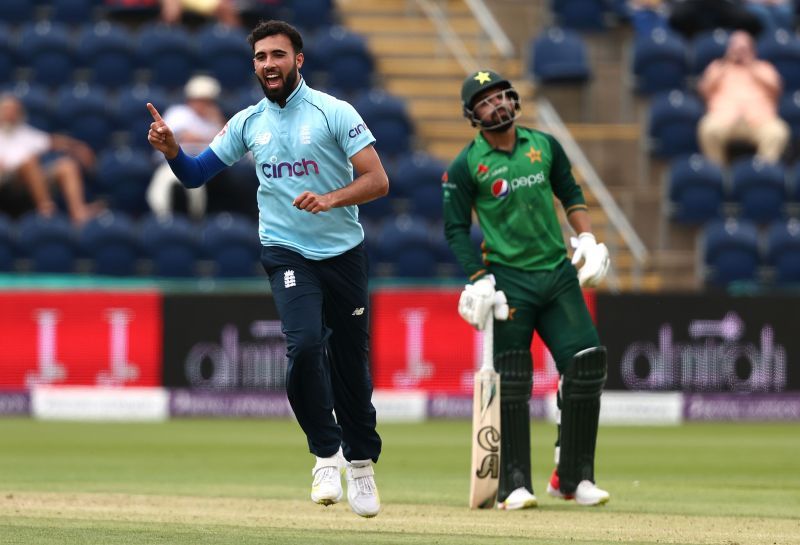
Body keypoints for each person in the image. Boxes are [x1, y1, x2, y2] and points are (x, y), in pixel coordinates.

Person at [146, 19, 389, 518]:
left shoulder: (333, 112)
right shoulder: (247, 122)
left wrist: (331, 198)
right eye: (260, 57)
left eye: (277, 55)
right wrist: (173, 151)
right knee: (302, 346)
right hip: (286, 249)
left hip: (343, 252)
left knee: (349, 363)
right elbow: (194, 176)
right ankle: (326, 452)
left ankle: (361, 462)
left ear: (298, 60)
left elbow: (378, 180)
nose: (268, 65)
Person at [443, 69, 611, 510]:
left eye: (501, 95)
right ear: (472, 115)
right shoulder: (466, 165)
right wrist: (477, 278)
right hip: (508, 282)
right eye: (484, 101)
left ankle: (574, 479)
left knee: (587, 365)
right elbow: (456, 229)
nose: (496, 104)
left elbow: (570, 194)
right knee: (514, 381)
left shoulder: (544, 146)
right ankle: (513, 483)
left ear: (514, 100)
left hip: (557, 273)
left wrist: (589, 239)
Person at [0, 93, 99, 224]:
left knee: (66, 166)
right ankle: (47, 210)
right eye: (6, 110)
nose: (10, 114)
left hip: (30, 178)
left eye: (13, 110)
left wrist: (78, 147)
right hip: (6, 180)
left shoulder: (25, 132)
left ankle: (78, 212)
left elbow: (52, 141)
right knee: (29, 162)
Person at [697, 30, 789, 164]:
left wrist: (751, 65)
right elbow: (704, 90)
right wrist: (725, 64)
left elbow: (776, 89)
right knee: (707, 128)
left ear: (752, 50)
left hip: (759, 119)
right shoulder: (718, 67)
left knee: (778, 132)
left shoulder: (764, 67)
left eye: (744, 47)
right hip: (724, 118)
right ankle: (717, 174)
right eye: (736, 47)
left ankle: (760, 173)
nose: (739, 51)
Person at [146, 75, 226, 220]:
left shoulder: (214, 119)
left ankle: (195, 220)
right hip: (171, 162)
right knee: (162, 192)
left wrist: (216, 121)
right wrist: (209, 136)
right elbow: (182, 136)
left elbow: (226, 142)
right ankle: (164, 220)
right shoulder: (179, 112)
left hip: (202, 165)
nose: (203, 104)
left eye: (207, 101)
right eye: (199, 99)